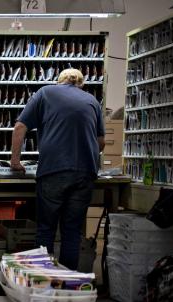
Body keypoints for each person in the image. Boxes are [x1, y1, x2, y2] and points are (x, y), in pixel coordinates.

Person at [10, 68, 105, 270]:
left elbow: (20, 127)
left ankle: (43, 284)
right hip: (84, 173)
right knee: (72, 231)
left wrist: (15, 161)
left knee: (46, 229)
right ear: (81, 83)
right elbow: (101, 142)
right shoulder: (92, 101)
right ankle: (67, 287)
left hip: (53, 170)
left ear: (59, 81)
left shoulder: (45, 92)